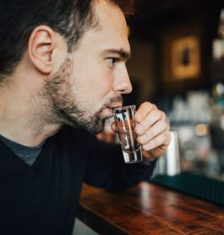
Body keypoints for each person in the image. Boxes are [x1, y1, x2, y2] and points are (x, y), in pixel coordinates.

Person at [0, 0, 171, 234]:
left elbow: (115, 172)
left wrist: (145, 155)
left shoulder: (70, 137)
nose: (127, 85)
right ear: (45, 50)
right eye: (112, 60)